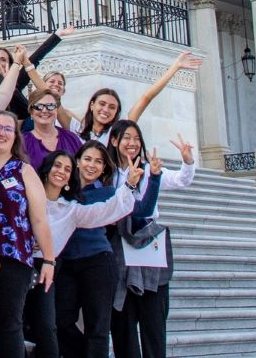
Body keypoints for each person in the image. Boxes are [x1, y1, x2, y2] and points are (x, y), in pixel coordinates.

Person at [55, 140, 157, 358]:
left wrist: (153, 178)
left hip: (98, 262)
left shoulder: (109, 192)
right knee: (60, 320)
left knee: (98, 326)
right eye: (88, 159)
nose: (92, 165)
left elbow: (143, 209)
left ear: (104, 168)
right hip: (66, 264)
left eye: (99, 162)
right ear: (78, 162)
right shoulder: (61, 192)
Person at [107, 122, 195, 358]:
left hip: (149, 246)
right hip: (119, 246)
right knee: (122, 318)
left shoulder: (150, 169)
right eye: (126, 137)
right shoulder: (108, 173)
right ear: (114, 140)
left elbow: (181, 181)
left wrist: (187, 161)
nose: (132, 143)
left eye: (137, 138)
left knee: (154, 321)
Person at [0, 110, 57, 358]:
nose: (1, 133)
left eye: (8, 129)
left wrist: (49, 259)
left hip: (13, 256)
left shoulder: (24, 170)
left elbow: (39, 219)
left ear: (15, 137)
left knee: (9, 324)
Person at [75, 51, 203, 142]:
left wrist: (175, 67)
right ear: (92, 105)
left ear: (117, 112)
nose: (106, 110)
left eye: (112, 107)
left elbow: (147, 97)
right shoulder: (76, 128)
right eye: (102, 104)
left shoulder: (118, 129)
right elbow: (57, 104)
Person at [24, 88, 83, 170]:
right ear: (31, 112)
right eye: (39, 106)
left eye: (50, 106)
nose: (44, 110)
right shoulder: (22, 142)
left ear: (56, 111)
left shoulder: (71, 138)